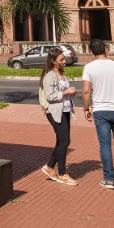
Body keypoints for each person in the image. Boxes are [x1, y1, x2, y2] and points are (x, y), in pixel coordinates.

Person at [82, 38, 114, 190]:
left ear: (92, 51)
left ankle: (109, 179)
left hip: (100, 110)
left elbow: (86, 90)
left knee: (105, 145)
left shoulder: (89, 68)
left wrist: (86, 108)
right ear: (106, 48)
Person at [40, 47, 78, 186]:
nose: (64, 61)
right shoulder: (49, 76)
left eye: (64, 59)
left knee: (62, 141)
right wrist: (66, 92)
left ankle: (50, 166)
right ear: (53, 61)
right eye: (61, 59)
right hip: (55, 112)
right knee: (64, 141)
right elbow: (49, 96)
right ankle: (62, 173)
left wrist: (69, 92)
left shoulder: (60, 74)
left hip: (65, 110)